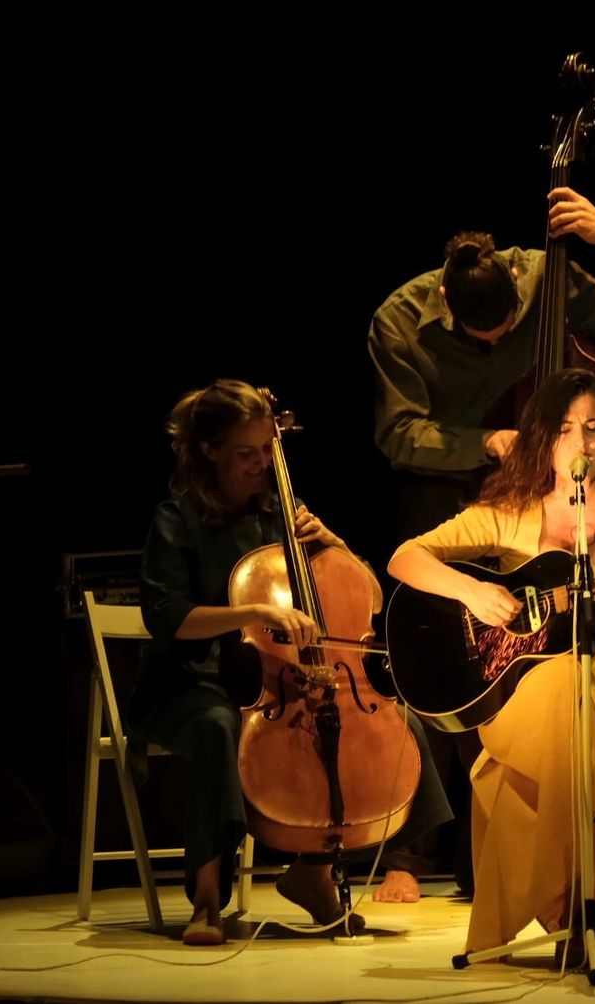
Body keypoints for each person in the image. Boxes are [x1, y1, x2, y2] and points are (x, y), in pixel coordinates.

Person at [387, 368, 595, 965]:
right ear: (545, 439)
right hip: (522, 694)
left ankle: (577, 909)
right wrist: (471, 592)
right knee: (569, 679)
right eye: (567, 429)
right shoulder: (507, 509)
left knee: (586, 684)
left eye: (594, 429)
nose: (582, 443)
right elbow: (404, 557)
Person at [131, 380, 450, 945]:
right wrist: (250, 611)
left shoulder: (283, 512)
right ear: (209, 451)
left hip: (277, 683)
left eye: (266, 450)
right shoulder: (176, 519)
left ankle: (313, 875)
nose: (261, 463)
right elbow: (167, 617)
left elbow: (362, 594)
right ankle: (207, 901)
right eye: (246, 453)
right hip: (191, 683)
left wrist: (337, 543)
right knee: (216, 726)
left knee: (400, 730)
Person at [368, 188, 595, 543]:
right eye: (483, 339)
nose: (496, 344)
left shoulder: (542, 276)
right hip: (454, 484)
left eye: (507, 332)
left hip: (557, 486)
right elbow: (399, 433)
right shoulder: (397, 322)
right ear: (446, 301)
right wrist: (488, 442)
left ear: (514, 278)